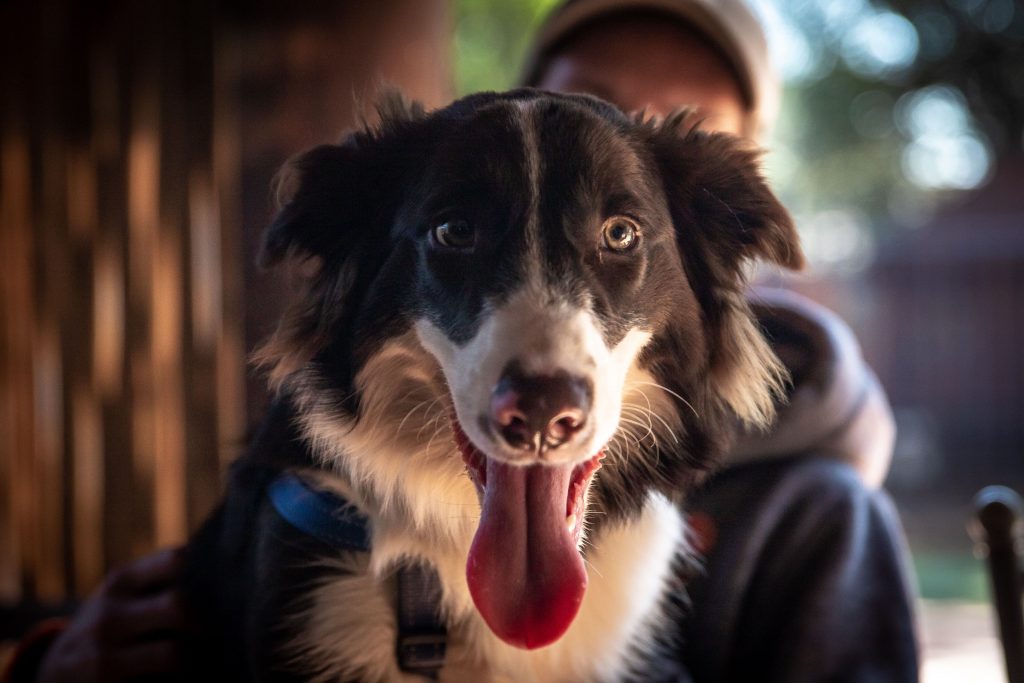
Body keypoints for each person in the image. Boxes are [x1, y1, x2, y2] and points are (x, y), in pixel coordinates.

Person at [7, 1, 919, 681]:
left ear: (717, 231)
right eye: (593, 105)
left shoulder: (817, 514)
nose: (619, 134)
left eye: (620, 226)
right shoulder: (298, 498)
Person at [522, 0, 920, 681]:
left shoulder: (815, 513)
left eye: (688, 129)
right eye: (587, 106)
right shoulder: (358, 448)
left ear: (732, 210)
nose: (629, 155)